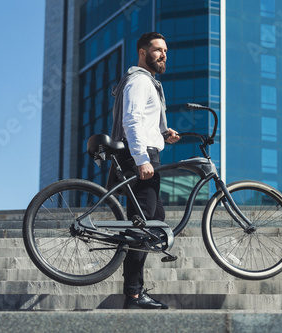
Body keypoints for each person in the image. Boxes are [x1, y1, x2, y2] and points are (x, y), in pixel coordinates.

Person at [110, 32, 180, 309]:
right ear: (142, 52)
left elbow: (144, 120)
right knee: (142, 226)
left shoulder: (149, 83)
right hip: (138, 156)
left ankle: (135, 289)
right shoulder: (139, 80)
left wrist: (163, 131)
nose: (163, 55)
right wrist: (141, 158)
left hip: (148, 152)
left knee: (155, 221)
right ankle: (133, 293)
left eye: (165, 50)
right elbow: (131, 119)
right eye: (157, 50)